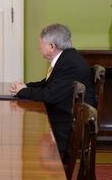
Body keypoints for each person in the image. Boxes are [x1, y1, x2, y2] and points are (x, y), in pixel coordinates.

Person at [9, 23, 96, 156]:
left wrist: (22, 91)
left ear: (51, 46)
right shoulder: (66, 58)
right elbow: (47, 84)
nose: (38, 47)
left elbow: (50, 95)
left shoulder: (69, 63)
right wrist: (25, 86)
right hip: (65, 115)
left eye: (41, 44)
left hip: (69, 125)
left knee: (26, 137)